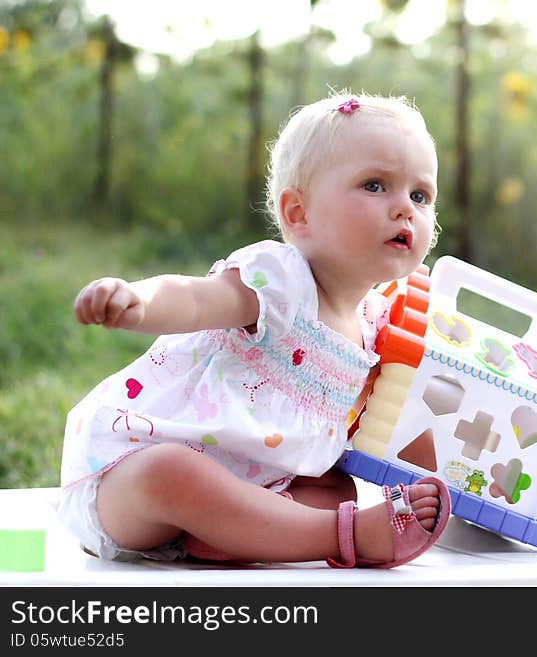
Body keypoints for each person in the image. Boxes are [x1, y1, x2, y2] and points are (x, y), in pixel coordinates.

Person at [57, 92, 451, 568]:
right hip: (136, 484)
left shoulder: (379, 323)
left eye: (420, 195)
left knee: (334, 486)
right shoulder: (280, 280)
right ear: (298, 213)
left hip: (260, 487)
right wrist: (138, 301)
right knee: (173, 472)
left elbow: (402, 425)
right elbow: (195, 298)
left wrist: (453, 480)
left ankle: (232, 537)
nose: (404, 209)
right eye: (374, 185)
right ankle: (344, 537)